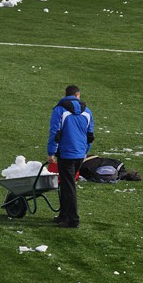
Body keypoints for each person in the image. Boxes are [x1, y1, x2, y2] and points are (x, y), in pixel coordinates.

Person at [47, 85, 95, 228]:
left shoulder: (59, 110)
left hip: (66, 153)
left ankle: (73, 219)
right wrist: (85, 150)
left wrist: (51, 152)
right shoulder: (87, 111)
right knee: (66, 184)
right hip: (80, 154)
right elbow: (90, 135)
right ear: (78, 95)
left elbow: (55, 133)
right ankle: (64, 215)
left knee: (68, 186)